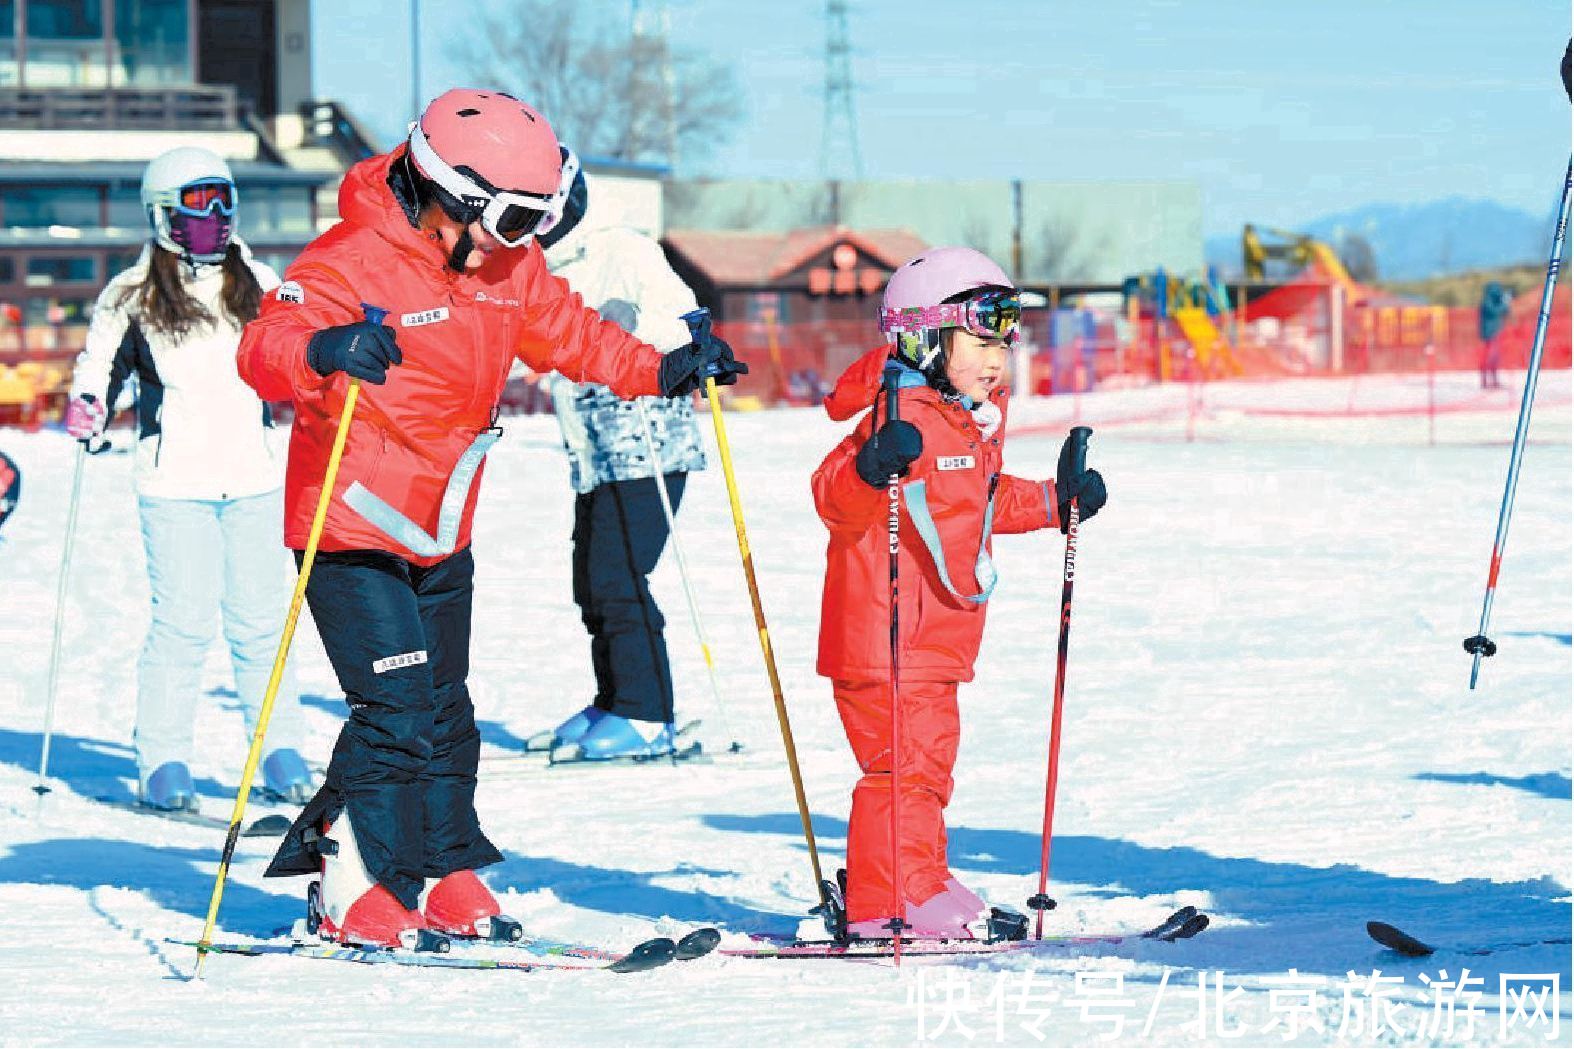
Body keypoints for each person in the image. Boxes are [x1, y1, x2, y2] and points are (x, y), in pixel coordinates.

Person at [236, 89, 744, 949]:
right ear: (448, 194)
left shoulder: (509, 269)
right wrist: (321, 350)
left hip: (442, 522)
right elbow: (264, 347)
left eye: (536, 223)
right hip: (352, 525)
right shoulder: (349, 258)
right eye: (510, 219)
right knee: (394, 708)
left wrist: (665, 370)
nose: (522, 242)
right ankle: (350, 877)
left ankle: (436, 866)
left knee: (444, 708)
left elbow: (575, 335)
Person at [811, 246, 1106, 938]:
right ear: (922, 334)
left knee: (927, 770)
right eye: (979, 337)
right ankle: (891, 901)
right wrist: (869, 468)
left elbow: (976, 502)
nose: (997, 355)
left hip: (936, 640)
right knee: (901, 769)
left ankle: (922, 877)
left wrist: (1056, 500)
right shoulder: (896, 416)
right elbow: (832, 496)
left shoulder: (963, 422)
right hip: (882, 635)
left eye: (1003, 338)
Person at [65, 146, 312, 813]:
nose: (216, 217)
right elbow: (100, 368)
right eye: (198, 204)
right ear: (163, 216)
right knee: (182, 623)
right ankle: (164, 757)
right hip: (175, 483)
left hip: (252, 473)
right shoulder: (131, 294)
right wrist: (89, 403)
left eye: (224, 201)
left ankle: (280, 747)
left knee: (262, 624)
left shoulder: (256, 279)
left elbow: (293, 348)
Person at [533, 148, 709, 761]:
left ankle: (646, 711)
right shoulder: (528, 265)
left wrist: (633, 320)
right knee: (591, 581)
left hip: (648, 443)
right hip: (592, 448)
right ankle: (613, 698)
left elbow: (686, 320)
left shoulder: (623, 248)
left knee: (619, 577)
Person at [1478, 281, 1513, 390]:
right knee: (1489, 358)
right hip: (1489, 334)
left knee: (1495, 359)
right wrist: (1504, 302)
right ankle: (1485, 382)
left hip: (1496, 333)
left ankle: (1494, 381)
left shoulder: (1494, 301)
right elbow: (1495, 311)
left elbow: (1506, 312)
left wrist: (1506, 302)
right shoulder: (1487, 302)